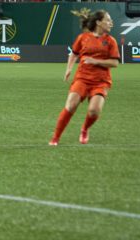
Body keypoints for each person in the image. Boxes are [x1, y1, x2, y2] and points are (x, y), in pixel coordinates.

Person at [49, 10, 119, 145]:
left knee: (94, 111)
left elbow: (115, 63)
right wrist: (69, 69)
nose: (111, 23)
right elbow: (74, 53)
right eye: (108, 20)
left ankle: (85, 129)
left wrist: (95, 61)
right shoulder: (83, 38)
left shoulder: (111, 41)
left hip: (101, 81)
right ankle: (55, 138)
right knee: (71, 105)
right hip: (82, 78)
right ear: (98, 22)